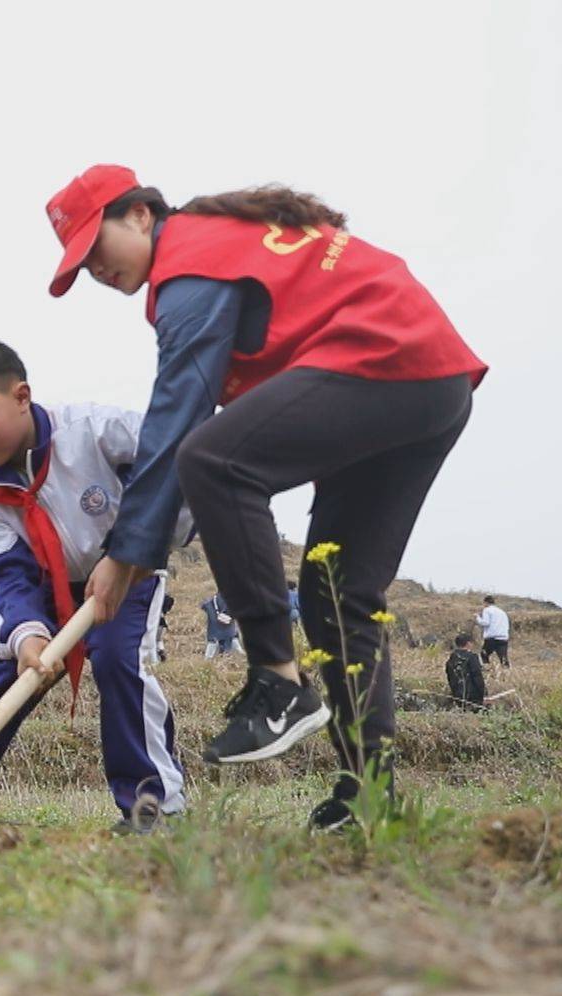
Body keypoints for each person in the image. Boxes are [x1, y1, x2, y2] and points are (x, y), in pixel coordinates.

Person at [54, 166, 487, 832]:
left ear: (140, 214)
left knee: (213, 460)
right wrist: (161, 531)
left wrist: (126, 549)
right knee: (335, 592)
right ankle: (370, 796)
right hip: (430, 382)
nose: (95, 272)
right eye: (79, 267)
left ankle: (279, 680)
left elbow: (181, 420)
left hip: (385, 358)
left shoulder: (190, 262)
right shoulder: (222, 242)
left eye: (95, 249)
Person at [0, 340, 187, 830]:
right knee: (7, 678)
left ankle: (153, 808)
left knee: (120, 661)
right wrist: (27, 634)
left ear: (20, 396)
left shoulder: (98, 433)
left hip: (128, 572)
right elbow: (4, 568)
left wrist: (128, 553)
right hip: (44, 588)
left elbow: (176, 471)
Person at [444, 632, 486, 712]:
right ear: (468, 643)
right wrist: (482, 694)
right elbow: (477, 677)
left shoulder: (451, 659)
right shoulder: (472, 657)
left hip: (457, 695)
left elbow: (450, 678)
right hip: (473, 696)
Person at [200, 593, 239, 658]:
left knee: (209, 655)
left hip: (214, 633)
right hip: (229, 632)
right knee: (237, 652)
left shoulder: (212, 600)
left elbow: (203, 606)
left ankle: (207, 664)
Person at [476, 595, 510, 667]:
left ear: (485, 603)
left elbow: (485, 623)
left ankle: (487, 670)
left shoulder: (487, 610)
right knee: (503, 658)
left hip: (492, 638)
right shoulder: (502, 612)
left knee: (484, 654)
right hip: (503, 638)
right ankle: (507, 674)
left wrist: (478, 618)